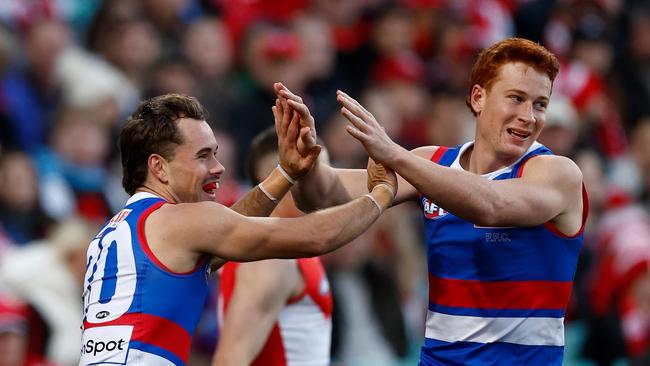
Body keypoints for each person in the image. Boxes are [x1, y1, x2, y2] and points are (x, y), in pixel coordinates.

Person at [275, 37, 588, 365]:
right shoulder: (431, 163)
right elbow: (325, 195)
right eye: (516, 98)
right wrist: (304, 166)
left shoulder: (558, 173)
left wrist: (393, 153)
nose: (529, 116)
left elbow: (492, 206)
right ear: (478, 98)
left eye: (540, 104)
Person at [79, 93, 396, 365]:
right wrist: (381, 192)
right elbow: (316, 236)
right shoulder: (182, 221)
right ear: (158, 167)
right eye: (204, 156)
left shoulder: (116, 231)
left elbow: (224, 226)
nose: (219, 167)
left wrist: (284, 173)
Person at [213, 127, 332, 366]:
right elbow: (230, 360)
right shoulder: (271, 259)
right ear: (285, 181)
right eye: (318, 174)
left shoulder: (292, 248)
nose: (329, 186)